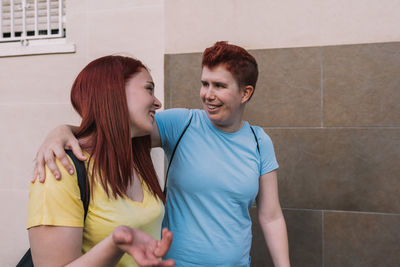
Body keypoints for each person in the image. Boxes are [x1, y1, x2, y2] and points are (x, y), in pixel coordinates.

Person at [33, 42, 290, 267]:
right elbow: (110, 128)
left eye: (219, 86)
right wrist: (60, 131)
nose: (208, 94)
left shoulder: (259, 142)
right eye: (204, 84)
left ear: (245, 93)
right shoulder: (182, 123)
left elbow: (271, 215)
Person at [27, 55, 176, 267]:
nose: (158, 102)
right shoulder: (61, 169)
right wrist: (117, 243)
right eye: (148, 89)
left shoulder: (135, 156)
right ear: (114, 92)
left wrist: (62, 129)